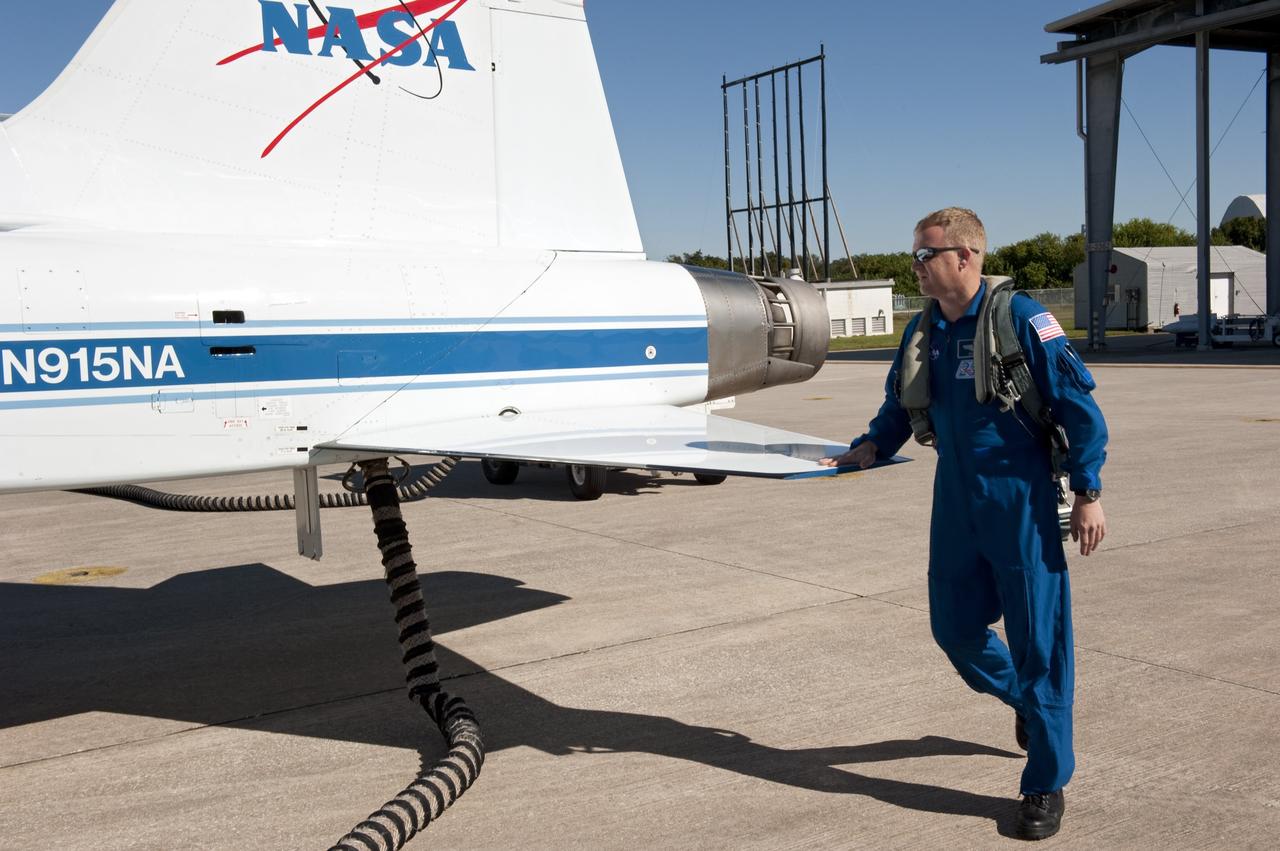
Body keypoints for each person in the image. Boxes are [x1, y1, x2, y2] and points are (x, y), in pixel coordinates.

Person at [821, 207, 1108, 841]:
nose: (916, 267)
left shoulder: (1022, 319)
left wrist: (1087, 490)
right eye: (916, 256)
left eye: (926, 255)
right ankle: (1027, 709)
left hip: (1021, 500)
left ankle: (1044, 783)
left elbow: (1081, 410)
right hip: (954, 497)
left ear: (965, 258)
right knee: (952, 627)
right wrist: (871, 444)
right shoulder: (925, 330)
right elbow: (902, 399)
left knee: (1041, 646)